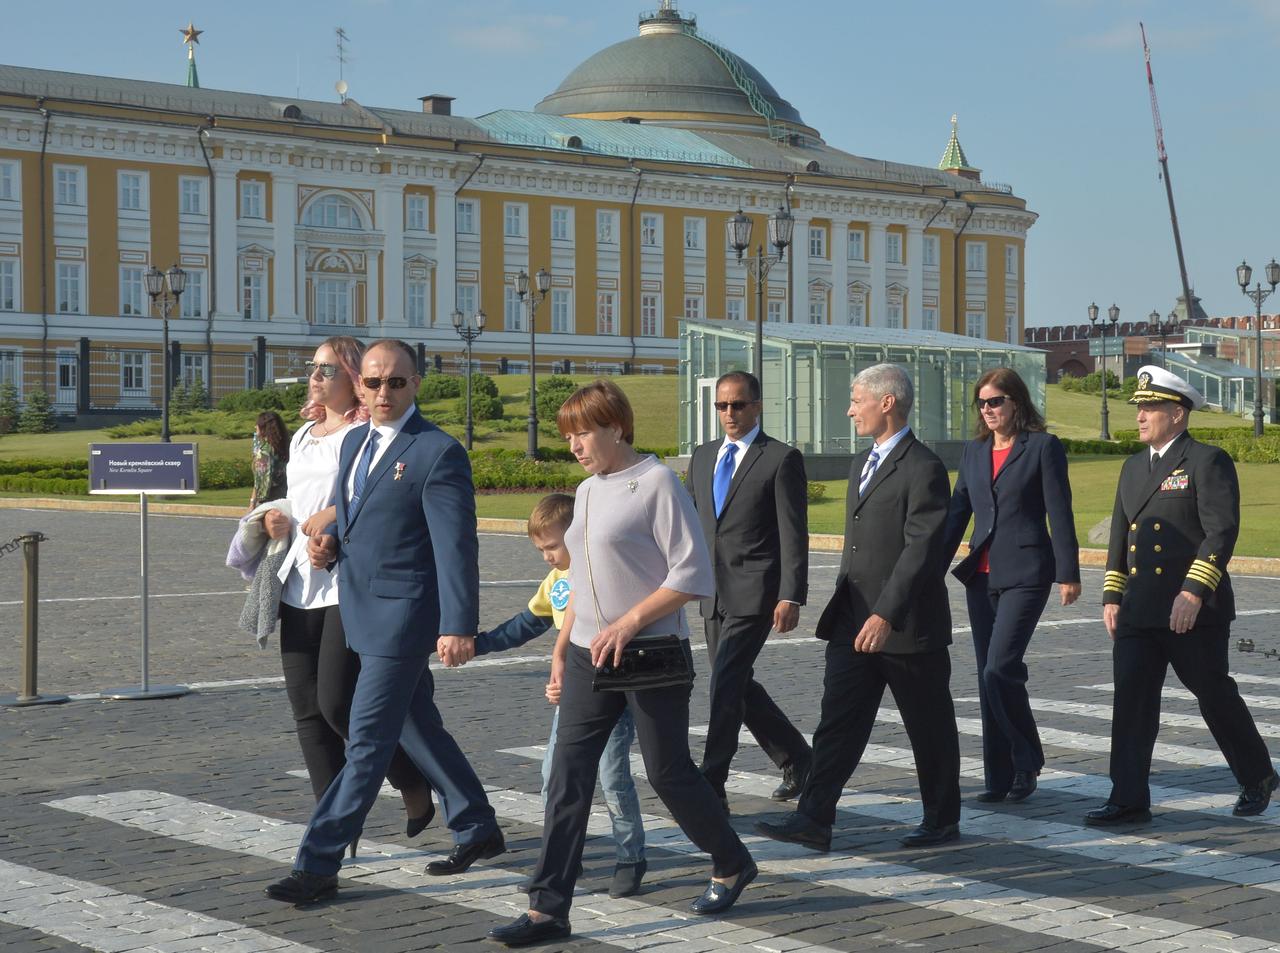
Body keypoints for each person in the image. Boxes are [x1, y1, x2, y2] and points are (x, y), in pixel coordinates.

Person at [488, 380, 756, 948]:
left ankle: (731, 859)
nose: (575, 446)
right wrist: (562, 652)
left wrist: (630, 621)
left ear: (616, 427)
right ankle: (547, 909)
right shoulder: (586, 492)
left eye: (583, 432)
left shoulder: (656, 482)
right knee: (567, 775)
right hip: (589, 657)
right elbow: (579, 580)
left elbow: (692, 575)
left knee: (668, 772)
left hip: (650, 654)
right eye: (568, 436)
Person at [265, 338, 502, 906]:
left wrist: (459, 625)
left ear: (416, 384)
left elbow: (455, 549)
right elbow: (354, 514)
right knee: (417, 725)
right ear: (360, 386)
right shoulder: (357, 442)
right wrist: (329, 545)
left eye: (396, 382)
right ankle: (476, 824)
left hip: (403, 617)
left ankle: (317, 864)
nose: (383, 392)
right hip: (356, 605)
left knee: (368, 741)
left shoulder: (437, 452)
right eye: (373, 383)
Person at [755, 363, 962, 852]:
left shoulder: (924, 467)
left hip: (906, 627)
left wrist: (886, 613)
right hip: (852, 619)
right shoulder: (860, 463)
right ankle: (814, 818)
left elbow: (922, 550)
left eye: (856, 400)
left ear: (885, 402)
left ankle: (941, 819)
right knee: (837, 723)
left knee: (928, 729)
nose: (849, 410)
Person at [1085, 364, 1279, 827]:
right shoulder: (1133, 467)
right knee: (1131, 702)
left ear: (1178, 414)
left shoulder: (1206, 461)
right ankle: (1128, 798)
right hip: (1139, 609)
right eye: (1139, 408)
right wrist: (1112, 595)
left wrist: (1193, 592)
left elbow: (1220, 532)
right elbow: (1119, 535)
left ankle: (1257, 775)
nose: (1141, 416)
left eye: (1150, 408)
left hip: (1189, 610)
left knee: (1212, 694)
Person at [262, 338, 434, 840]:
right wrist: (278, 517)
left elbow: (368, 495)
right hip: (299, 581)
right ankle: (331, 831)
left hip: (345, 582)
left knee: (338, 702)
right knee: (307, 712)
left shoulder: (364, 434)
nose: (315, 376)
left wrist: (332, 521)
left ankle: (410, 779)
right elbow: (301, 499)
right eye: (312, 368)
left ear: (353, 377)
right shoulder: (304, 435)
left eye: (326, 369)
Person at [467, 493, 647, 899]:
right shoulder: (556, 581)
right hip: (575, 695)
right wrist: (477, 644)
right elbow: (529, 623)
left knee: (612, 776)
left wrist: (561, 659)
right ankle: (564, 856)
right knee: (553, 775)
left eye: (552, 547)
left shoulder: (602, 573)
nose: (547, 556)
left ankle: (631, 856)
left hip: (612, 687)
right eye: (540, 549)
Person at [943, 367, 1080, 804]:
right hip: (980, 579)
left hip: (1026, 573)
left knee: (999, 668)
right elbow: (956, 514)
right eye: (982, 403)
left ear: (1016, 402)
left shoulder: (1042, 447)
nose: (988, 410)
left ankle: (1027, 758)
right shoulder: (974, 451)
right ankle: (998, 778)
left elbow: (1060, 510)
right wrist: (927, 569)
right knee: (988, 680)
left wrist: (1069, 571)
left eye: (996, 401)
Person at [688, 370, 812, 811]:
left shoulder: (779, 458)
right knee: (736, 683)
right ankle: (797, 757)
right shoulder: (702, 457)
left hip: (756, 590)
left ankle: (712, 781)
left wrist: (791, 593)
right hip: (710, 591)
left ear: (756, 406)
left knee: (725, 681)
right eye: (722, 405)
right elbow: (692, 527)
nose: (729, 413)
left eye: (738, 405)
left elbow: (793, 533)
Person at [250, 411, 290, 509]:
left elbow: (261, 480)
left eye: (257, 424)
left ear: (264, 427)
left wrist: (252, 503)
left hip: (270, 501)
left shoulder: (264, 451)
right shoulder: (287, 446)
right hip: (287, 497)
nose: (255, 427)